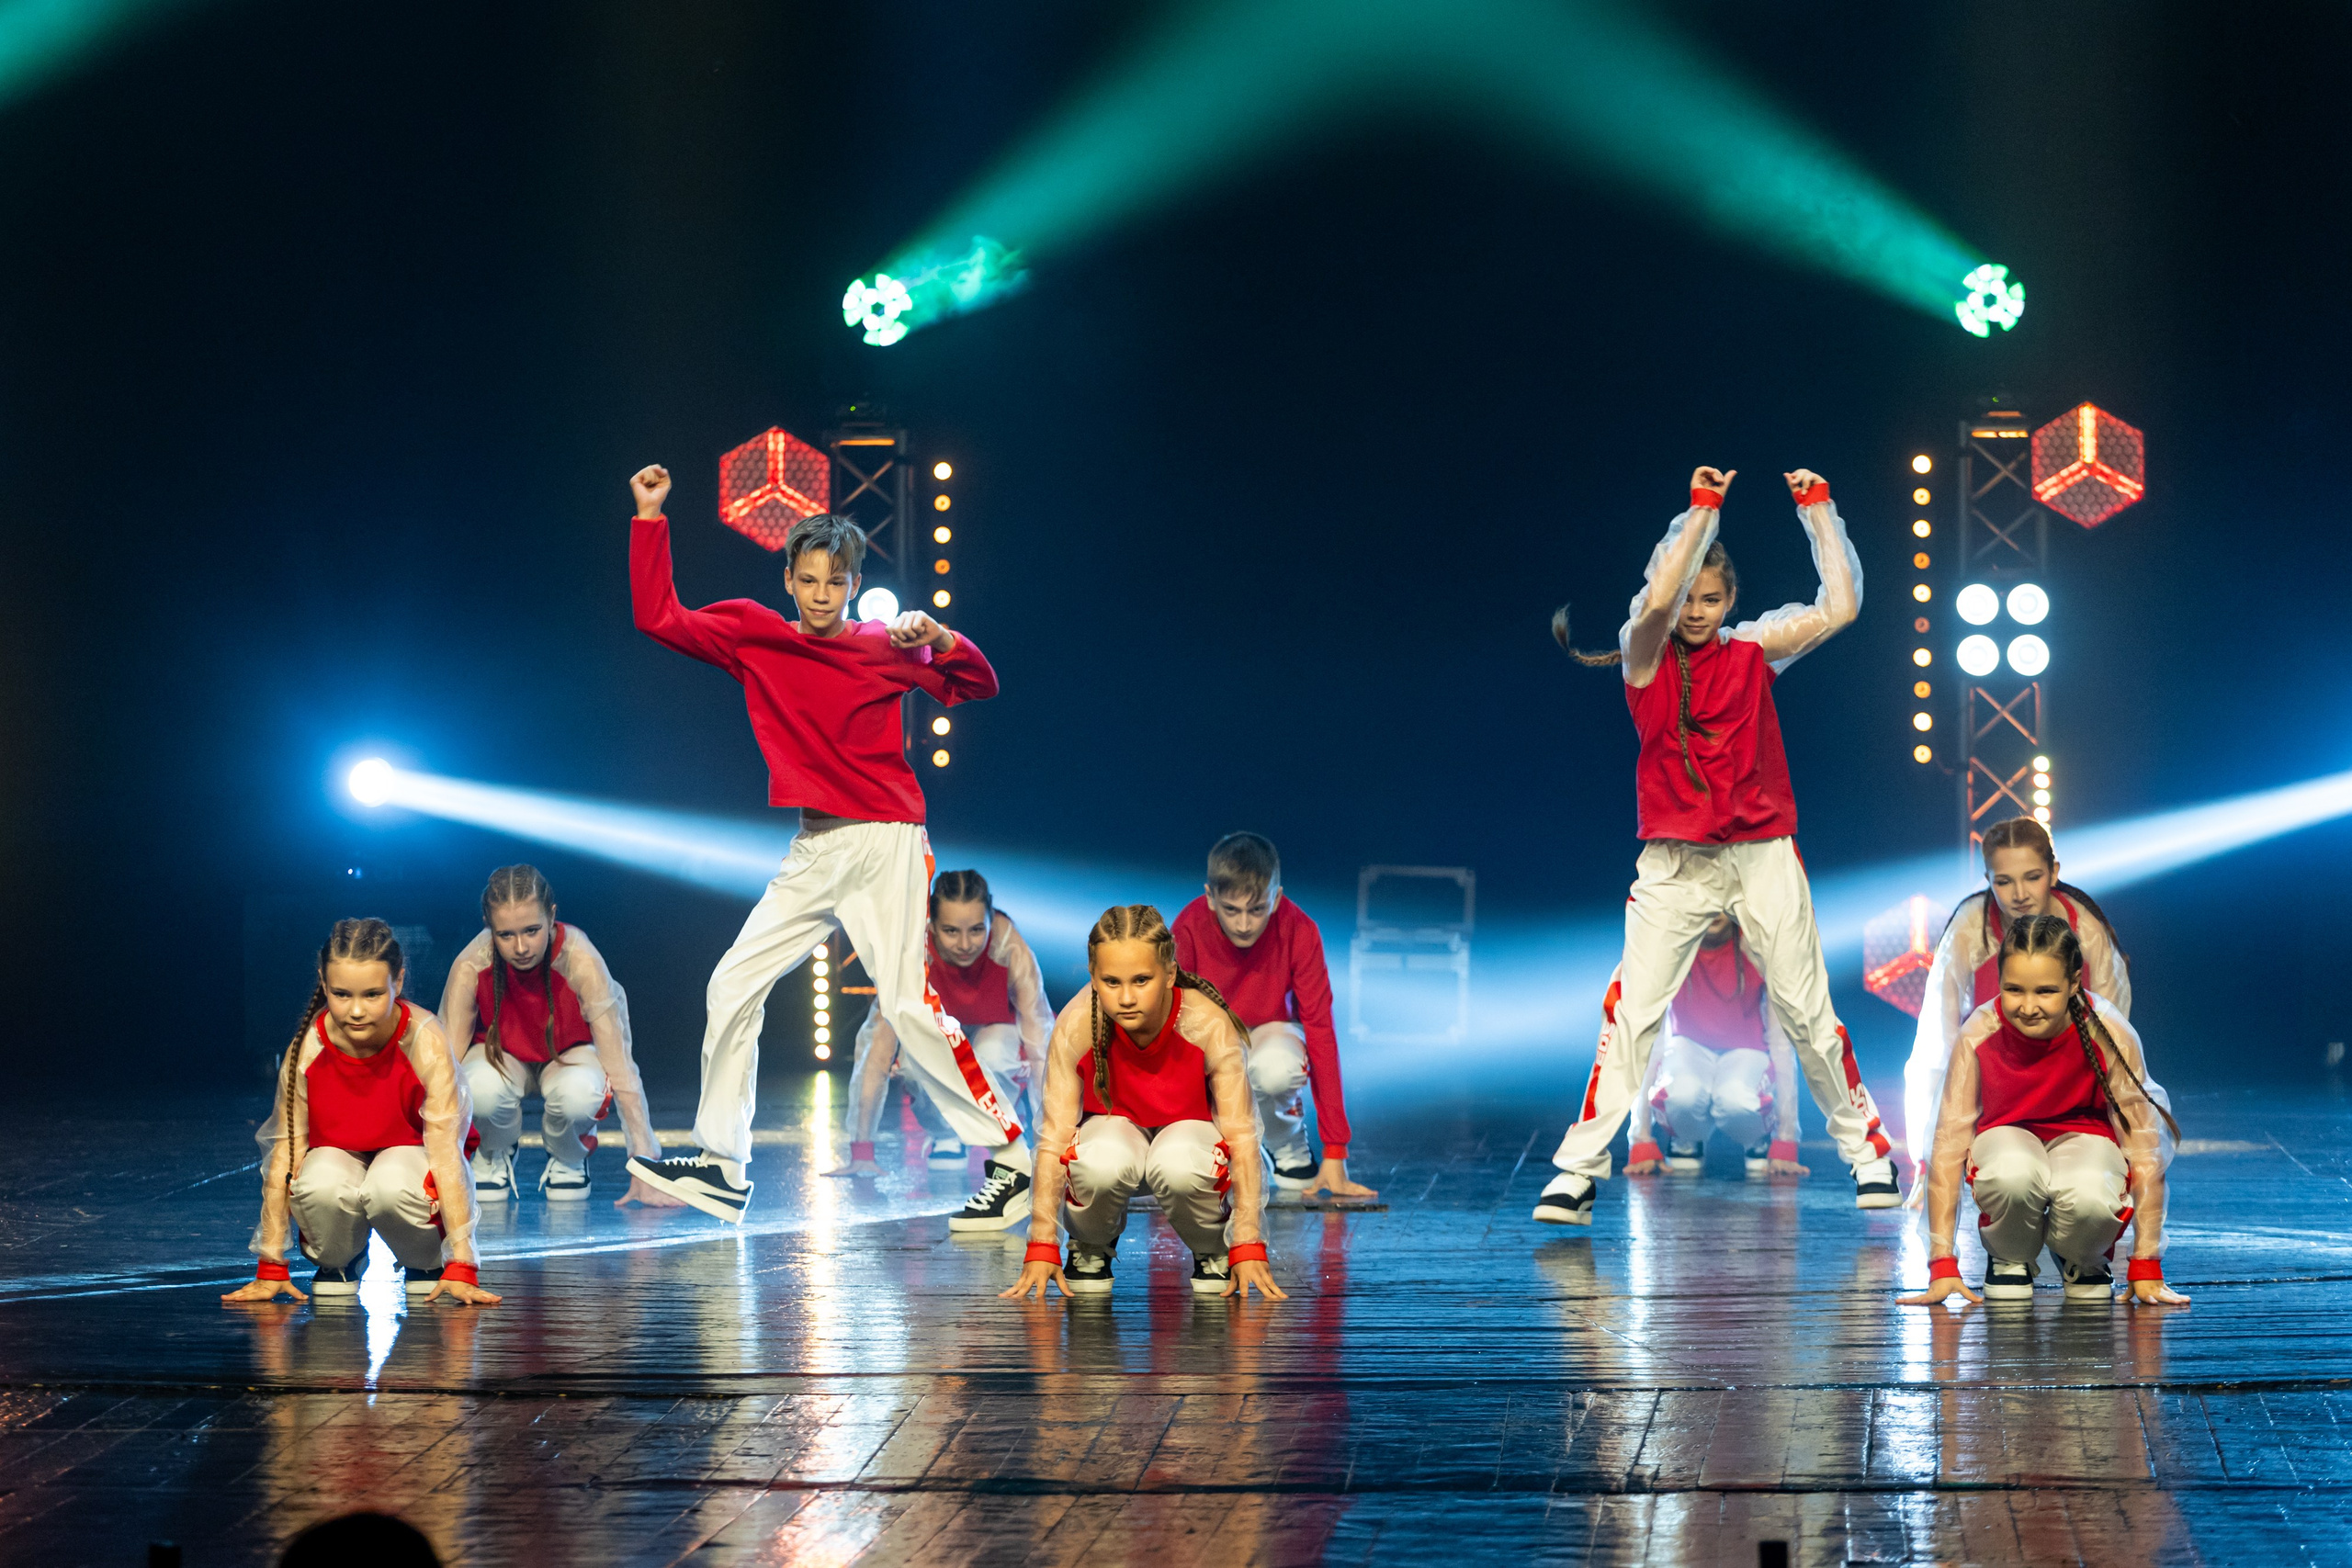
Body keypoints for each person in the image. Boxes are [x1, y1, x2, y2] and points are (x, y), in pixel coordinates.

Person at [618, 465, 1029, 1226]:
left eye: (834, 583)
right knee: (732, 983)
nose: (819, 595)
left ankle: (1011, 1156)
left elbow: (980, 685)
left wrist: (940, 636)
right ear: (787, 578)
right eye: (808, 580)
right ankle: (720, 1163)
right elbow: (659, 619)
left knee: (906, 1005)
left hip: (883, 838)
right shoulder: (752, 630)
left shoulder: (883, 645)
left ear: (851, 584)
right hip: (813, 844)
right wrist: (650, 516)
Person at [1533, 466, 1897, 1226]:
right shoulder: (1643, 654)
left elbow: (1842, 605)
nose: (1695, 612)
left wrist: (1818, 508)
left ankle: (1868, 1152)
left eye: (1712, 599)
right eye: (1688, 597)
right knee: (1633, 1011)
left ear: (1730, 601)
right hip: (1675, 862)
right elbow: (1658, 599)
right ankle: (1577, 1168)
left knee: (1806, 1010)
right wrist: (1702, 512)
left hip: (1763, 853)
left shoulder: (1753, 651)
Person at [1897, 914, 2187, 1307]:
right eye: (2014, 989)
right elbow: (1948, 1147)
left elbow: (2145, 1149)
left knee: (2090, 1194)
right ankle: (2010, 1255)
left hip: (2086, 1139)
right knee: (2012, 1174)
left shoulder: (2107, 1030)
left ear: (2073, 984)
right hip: (2006, 1139)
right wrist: (1942, 1262)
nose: (2028, 1006)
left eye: (2046, 991)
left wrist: (2147, 1262)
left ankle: (2082, 1256)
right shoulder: (1979, 1033)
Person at [1002, 905, 1284, 1302]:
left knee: (1179, 1161)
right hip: (1115, 1137)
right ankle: (1090, 1245)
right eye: (1111, 981)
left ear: (1169, 974)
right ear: (1093, 977)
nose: (1127, 997)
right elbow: (1052, 1139)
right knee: (1099, 1158)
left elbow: (1242, 1137)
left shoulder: (1206, 1025)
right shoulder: (1076, 1025)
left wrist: (1247, 1240)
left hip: (1189, 1143)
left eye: (1141, 980)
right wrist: (1042, 1241)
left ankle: (1212, 1248)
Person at [222, 919, 500, 1306]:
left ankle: (425, 1262)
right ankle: (342, 1260)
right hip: (339, 1158)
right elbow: (284, 1155)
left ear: (397, 983)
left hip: (408, 1162)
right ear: (323, 983)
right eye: (341, 994)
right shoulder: (308, 1047)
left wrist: (462, 1262)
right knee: (318, 1182)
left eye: (372, 994)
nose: (355, 1011)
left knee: (388, 1185)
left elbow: (447, 1155)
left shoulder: (424, 1040)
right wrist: (271, 1262)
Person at [1903, 816, 2160, 1198]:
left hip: (2071, 1086)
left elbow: (2115, 1044)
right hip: (2001, 1087)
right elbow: (1936, 1046)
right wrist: (1930, 1163)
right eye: (2003, 881)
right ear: (1988, 879)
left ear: (2054, 872)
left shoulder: (2086, 929)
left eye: (2032, 876)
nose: (2019, 893)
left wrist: (2128, 1164)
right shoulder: (1969, 928)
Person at [436, 864, 661, 1204]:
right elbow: (442, 1068)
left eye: (532, 930)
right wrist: (430, 1164)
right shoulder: (472, 964)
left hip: (568, 1054)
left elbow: (622, 1067)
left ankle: (569, 1154)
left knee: (580, 1094)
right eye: (506, 935)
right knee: (474, 1087)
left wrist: (644, 1165)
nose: (521, 946)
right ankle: (491, 1147)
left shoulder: (581, 960)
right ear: (489, 929)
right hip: (501, 1056)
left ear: (552, 917)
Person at [1172, 832, 1375, 1201]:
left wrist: (1336, 1151)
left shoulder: (1300, 930)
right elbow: (1171, 1027)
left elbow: (1321, 1031)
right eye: (1231, 910)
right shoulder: (1187, 927)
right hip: (1209, 1038)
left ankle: (1287, 1146)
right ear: (1210, 898)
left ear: (1277, 899)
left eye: (1257, 909)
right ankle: (1223, 1142)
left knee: (1276, 1067)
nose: (1244, 924)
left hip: (1270, 1033)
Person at [830, 869, 1055, 1176]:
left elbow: (1042, 1044)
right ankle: (947, 1136)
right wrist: (862, 1150)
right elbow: (876, 1050)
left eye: (977, 930)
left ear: (991, 919)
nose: (965, 944)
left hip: (995, 1027)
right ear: (932, 925)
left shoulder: (1008, 947)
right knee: (911, 1064)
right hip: (937, 1028)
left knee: (994, 1056)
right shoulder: (913, 951)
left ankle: (1003, 1130)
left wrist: (1050, 1141)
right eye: (951, 931)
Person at [1619, 913, 1807, 1178]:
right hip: (1688, 1048)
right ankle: (1686, 1137)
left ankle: (1757, 1138)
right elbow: (1649, 1042)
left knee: (1737, 1100)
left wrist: (1785, 1140)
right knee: (1680, 1095)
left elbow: (1781, 1042)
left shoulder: (1758, 947)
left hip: (1747, 1049)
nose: (1715, 911)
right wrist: (1641, 1140)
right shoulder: (1669, 949)